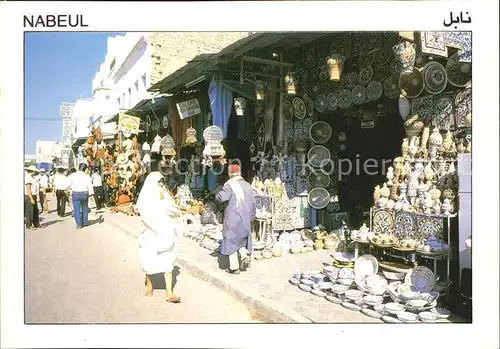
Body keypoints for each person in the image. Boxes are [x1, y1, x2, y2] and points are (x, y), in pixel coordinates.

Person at [136, 171, 181, 303]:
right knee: (166, 258)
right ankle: (166, 291)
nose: (162, 183)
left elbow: (140, 209)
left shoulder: (144, 195)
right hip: (161, 230)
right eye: (160, 181)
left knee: (152, 258)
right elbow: (171, 208)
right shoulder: (160, 193)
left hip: (151, 231)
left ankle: (158, 290)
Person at [215, 164, 256, 274]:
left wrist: (218, 192)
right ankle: (243, 255)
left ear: (229, 174)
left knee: (231, 240)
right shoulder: (248, 185)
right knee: (242, 240)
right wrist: (251, 217)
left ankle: (234, 267)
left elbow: (222, 197)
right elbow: (253, 203)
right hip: (245, 218)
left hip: (233, 219)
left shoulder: (229, 185)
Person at [68, 163, 94, 229]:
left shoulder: (73, 175)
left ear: (79, 168)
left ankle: (79, 224)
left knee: (76, 209)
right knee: (85, 208)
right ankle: (85, 222)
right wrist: (91, 194)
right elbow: (90, 185)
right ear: (85, 169)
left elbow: (67, 184)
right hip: (85, 193)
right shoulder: (87, 176)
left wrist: (68, 188)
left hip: (76, 194)